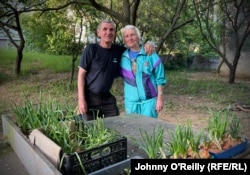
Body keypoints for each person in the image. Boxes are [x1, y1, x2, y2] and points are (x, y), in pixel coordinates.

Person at [78, 19, 155, 121]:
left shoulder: (119, 51)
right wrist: (81, 100)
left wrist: (147, 45)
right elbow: (81, 75)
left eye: (111, 30)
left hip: (107, 99)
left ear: (114, 33)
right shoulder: (91, 49)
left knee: (116, 126)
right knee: (88, 129)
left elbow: (135, 48)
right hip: (89, 97)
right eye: (105, 29)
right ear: (99, 33)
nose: (108, 32)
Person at [120, 25, 167, 118]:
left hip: (149, 102)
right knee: (133, 130)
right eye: (127, 36)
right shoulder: (121, 57)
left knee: (148, 130)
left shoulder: (150, 53)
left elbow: (160, 78)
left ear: (138, 36)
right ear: (124, 40)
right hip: (131, 102)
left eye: (132, 35)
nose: (130, 38)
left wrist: (159, 99)